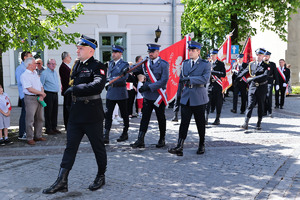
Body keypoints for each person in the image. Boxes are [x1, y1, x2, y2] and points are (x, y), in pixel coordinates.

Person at [43, 35, 107, 194]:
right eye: (77, 48)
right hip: (76, 114)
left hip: (92, 114)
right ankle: (62, 181)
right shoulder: (77, 65)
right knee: (70, 148)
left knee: (98, 147)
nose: (77, 50)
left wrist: (76, 89)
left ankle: (101, 175)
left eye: (80, 48)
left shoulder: (98, 66)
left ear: (90, 50)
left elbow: (98, 85)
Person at [168, 41, 211, 156]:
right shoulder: (185, 63)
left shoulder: (205, 64)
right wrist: (178, 97)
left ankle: (202, 144)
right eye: (189, 50)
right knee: (184, 123)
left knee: (200, 123)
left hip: (198, 96)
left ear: (198, 51)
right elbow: (181, 80)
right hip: (186, 96)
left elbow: (205, 79)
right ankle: (179, 146)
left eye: (193, 50)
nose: (190, 52)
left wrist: (190, 79)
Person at [130, 43, 169, 148]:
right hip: (147, 96)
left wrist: (148, 87)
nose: (150, 54)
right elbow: (135, 69)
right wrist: (127, 69)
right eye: (149, 52)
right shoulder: (145, 63)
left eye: (152, 52)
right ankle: (140, 139)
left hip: (158, 96)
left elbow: (163, 81)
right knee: (144, 118)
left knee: (161, 118)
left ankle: (162, 139)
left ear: (157, 52)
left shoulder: (163, 64)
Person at [239, 48, 270, 130]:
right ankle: (246, 123)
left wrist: (252, 79)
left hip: (261, 87)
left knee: (260, 105)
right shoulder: (251, 64)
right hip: (253, 88)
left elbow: (265, 75)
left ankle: (259, 123)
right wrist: (236, 79)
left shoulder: (267, 65)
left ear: (263, 56)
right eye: (257, 55)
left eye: (260, 55)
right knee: (250, 105)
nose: (259, 57)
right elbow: (244, 72)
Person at [104, 45, 130, 144]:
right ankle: (106, 134)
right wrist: (107, 81)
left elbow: (124, 78)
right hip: (111, 92)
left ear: (120, 54)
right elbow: (108, 76)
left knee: (124, 114)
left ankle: (125, 132)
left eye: (115, 52)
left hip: (120, 92)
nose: (113, 54)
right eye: (113, 52)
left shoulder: (124, 64)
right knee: (108, 114)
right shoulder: (110, 64)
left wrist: (111, 81)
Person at [20, 57, 47, 145]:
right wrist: (41, 93)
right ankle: (30, 137)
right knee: (30, 119)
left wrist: (42, 93)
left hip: (39, 97)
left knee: (40, 118)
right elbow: (30, 89)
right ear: (29, 65)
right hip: (30, 98)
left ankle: (38, 135)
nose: (36, 64)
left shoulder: (35, 73)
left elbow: (40, 85)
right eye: (34, 63)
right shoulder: (24, 75)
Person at [40, 59, 61, 135]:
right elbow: (41, 84)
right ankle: (48, 129)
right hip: (48, 94)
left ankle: (54, 127)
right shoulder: (44, 73)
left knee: (54, 111)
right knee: (48, 112)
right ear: (47, 64)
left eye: (54, 64)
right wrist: (41, 94)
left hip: (55, 94)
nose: (53, 65)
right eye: (51, 64)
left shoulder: (55, 72)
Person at [206, 49, 226, 125]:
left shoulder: (220, 64)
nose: (213, 56)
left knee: (218, 103)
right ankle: (206, 118)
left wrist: (212, 72)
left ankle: (217, 119)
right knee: (207, 103)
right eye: (211, 55)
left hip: (217, 86)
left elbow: (223, 74)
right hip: (209, 85)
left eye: (214, 55)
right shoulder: (207, 64)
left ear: (216, 55)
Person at [15, 51, 32, 140]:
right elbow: (20, 82)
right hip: (24, 95)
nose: (32, 57)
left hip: (29, 94)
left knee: (28, 115)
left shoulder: (27, 67)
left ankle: (26, 132)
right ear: (25, 58)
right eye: (30, 56)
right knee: (24, 114)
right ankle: (22, 134)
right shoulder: (20, 68)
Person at [59, 51, 72, 130]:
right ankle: (67, 125)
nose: (70, 58)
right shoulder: (63, 67)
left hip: (70, 90)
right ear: (65, 58)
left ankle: (70, 124)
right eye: (69, 57)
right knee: (67, 108)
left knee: (69, 108)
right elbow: (67, 80)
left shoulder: (68, 66)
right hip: (67, 90)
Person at [263, 51, 278, 117]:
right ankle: (264, 111)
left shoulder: (272, 64)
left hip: (269, 81)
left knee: (269, 96)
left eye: (267, 56)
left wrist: (277, 83)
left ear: (269, 57)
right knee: (263, 97)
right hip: (262, 82)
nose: (266, 57)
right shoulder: (261, 63)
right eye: (265, 56)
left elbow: (276, 74)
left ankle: (269, 111)